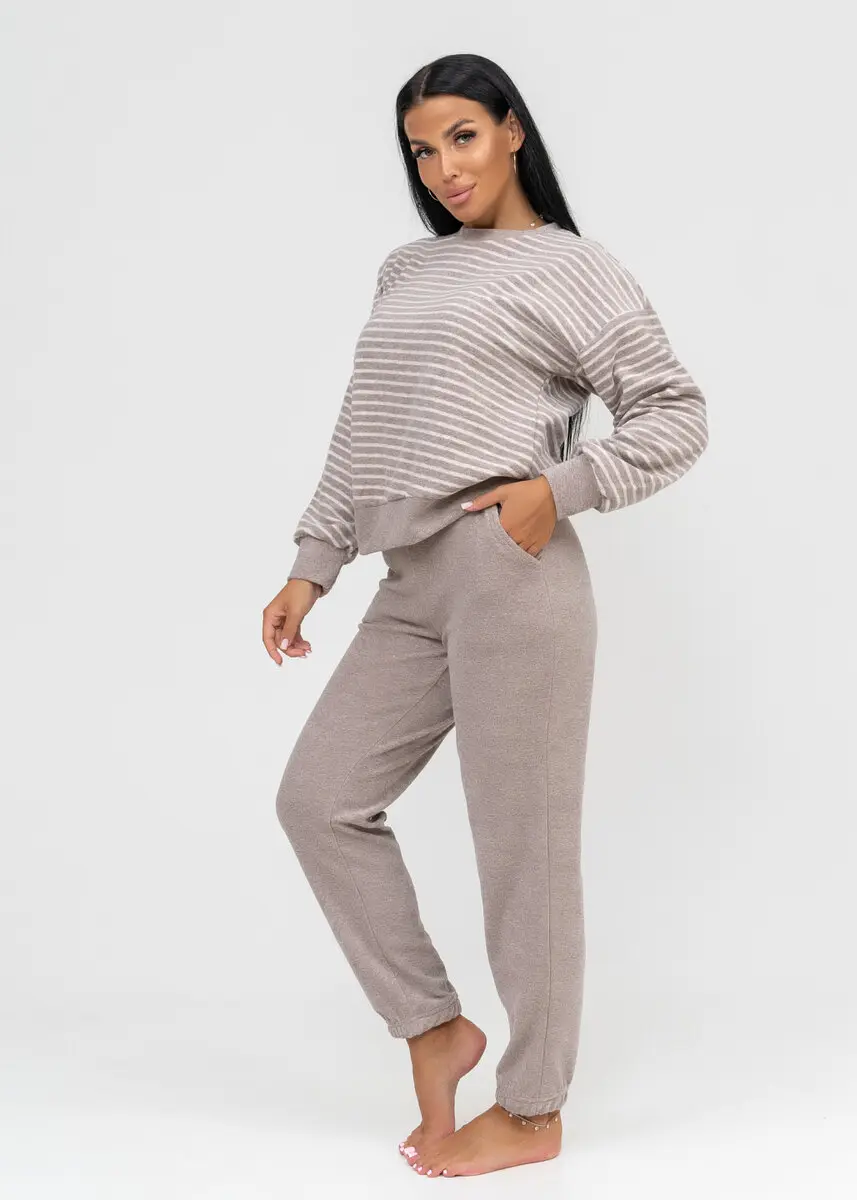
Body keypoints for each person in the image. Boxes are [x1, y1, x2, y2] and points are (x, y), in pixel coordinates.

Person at [262, 52, 709, 1178]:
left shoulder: (573, 267)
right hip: (409, 583)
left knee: (524, 853)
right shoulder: (406, 269)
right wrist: (314, 562)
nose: (444, 167)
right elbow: (364, 428)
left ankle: (534, 1106)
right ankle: (432, 1025)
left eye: (462, 136)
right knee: (319, 800)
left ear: (512, 130)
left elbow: (675, 412)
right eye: (422, 150)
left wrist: (557, 489)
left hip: (514, 575)